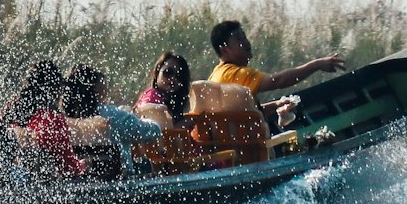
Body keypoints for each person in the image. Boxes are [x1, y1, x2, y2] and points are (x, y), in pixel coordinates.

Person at [208, 20, 344, 118]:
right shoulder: (234, 74)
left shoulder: (217, 74)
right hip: (248, 152)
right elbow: (278, 81)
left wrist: (276, 105)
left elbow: (245, 116)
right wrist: (316, 65)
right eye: (239, 39)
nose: (246, 42)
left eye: (244, 36)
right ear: (225, 50)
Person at [63, 65, 161, 176]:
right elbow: (154, 131)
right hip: (120, 182)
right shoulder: (112, 116)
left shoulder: (64, 120)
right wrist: (147, 118)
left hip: (83, 182)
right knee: (145, 163)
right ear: (95, 89)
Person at [0, 60, 85, 178]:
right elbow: (68, 167)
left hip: (9, 177)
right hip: (39, 184)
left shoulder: (10, 109)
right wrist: (84, 166)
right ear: (55, 88)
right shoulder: (51, 119)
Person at [136, 51, 192, 127]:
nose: (173, 79)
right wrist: (179, 127)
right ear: (157, 73)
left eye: (179, 76)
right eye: (168, 72)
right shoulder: (152, 95)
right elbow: (154, 130)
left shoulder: (172, 103)